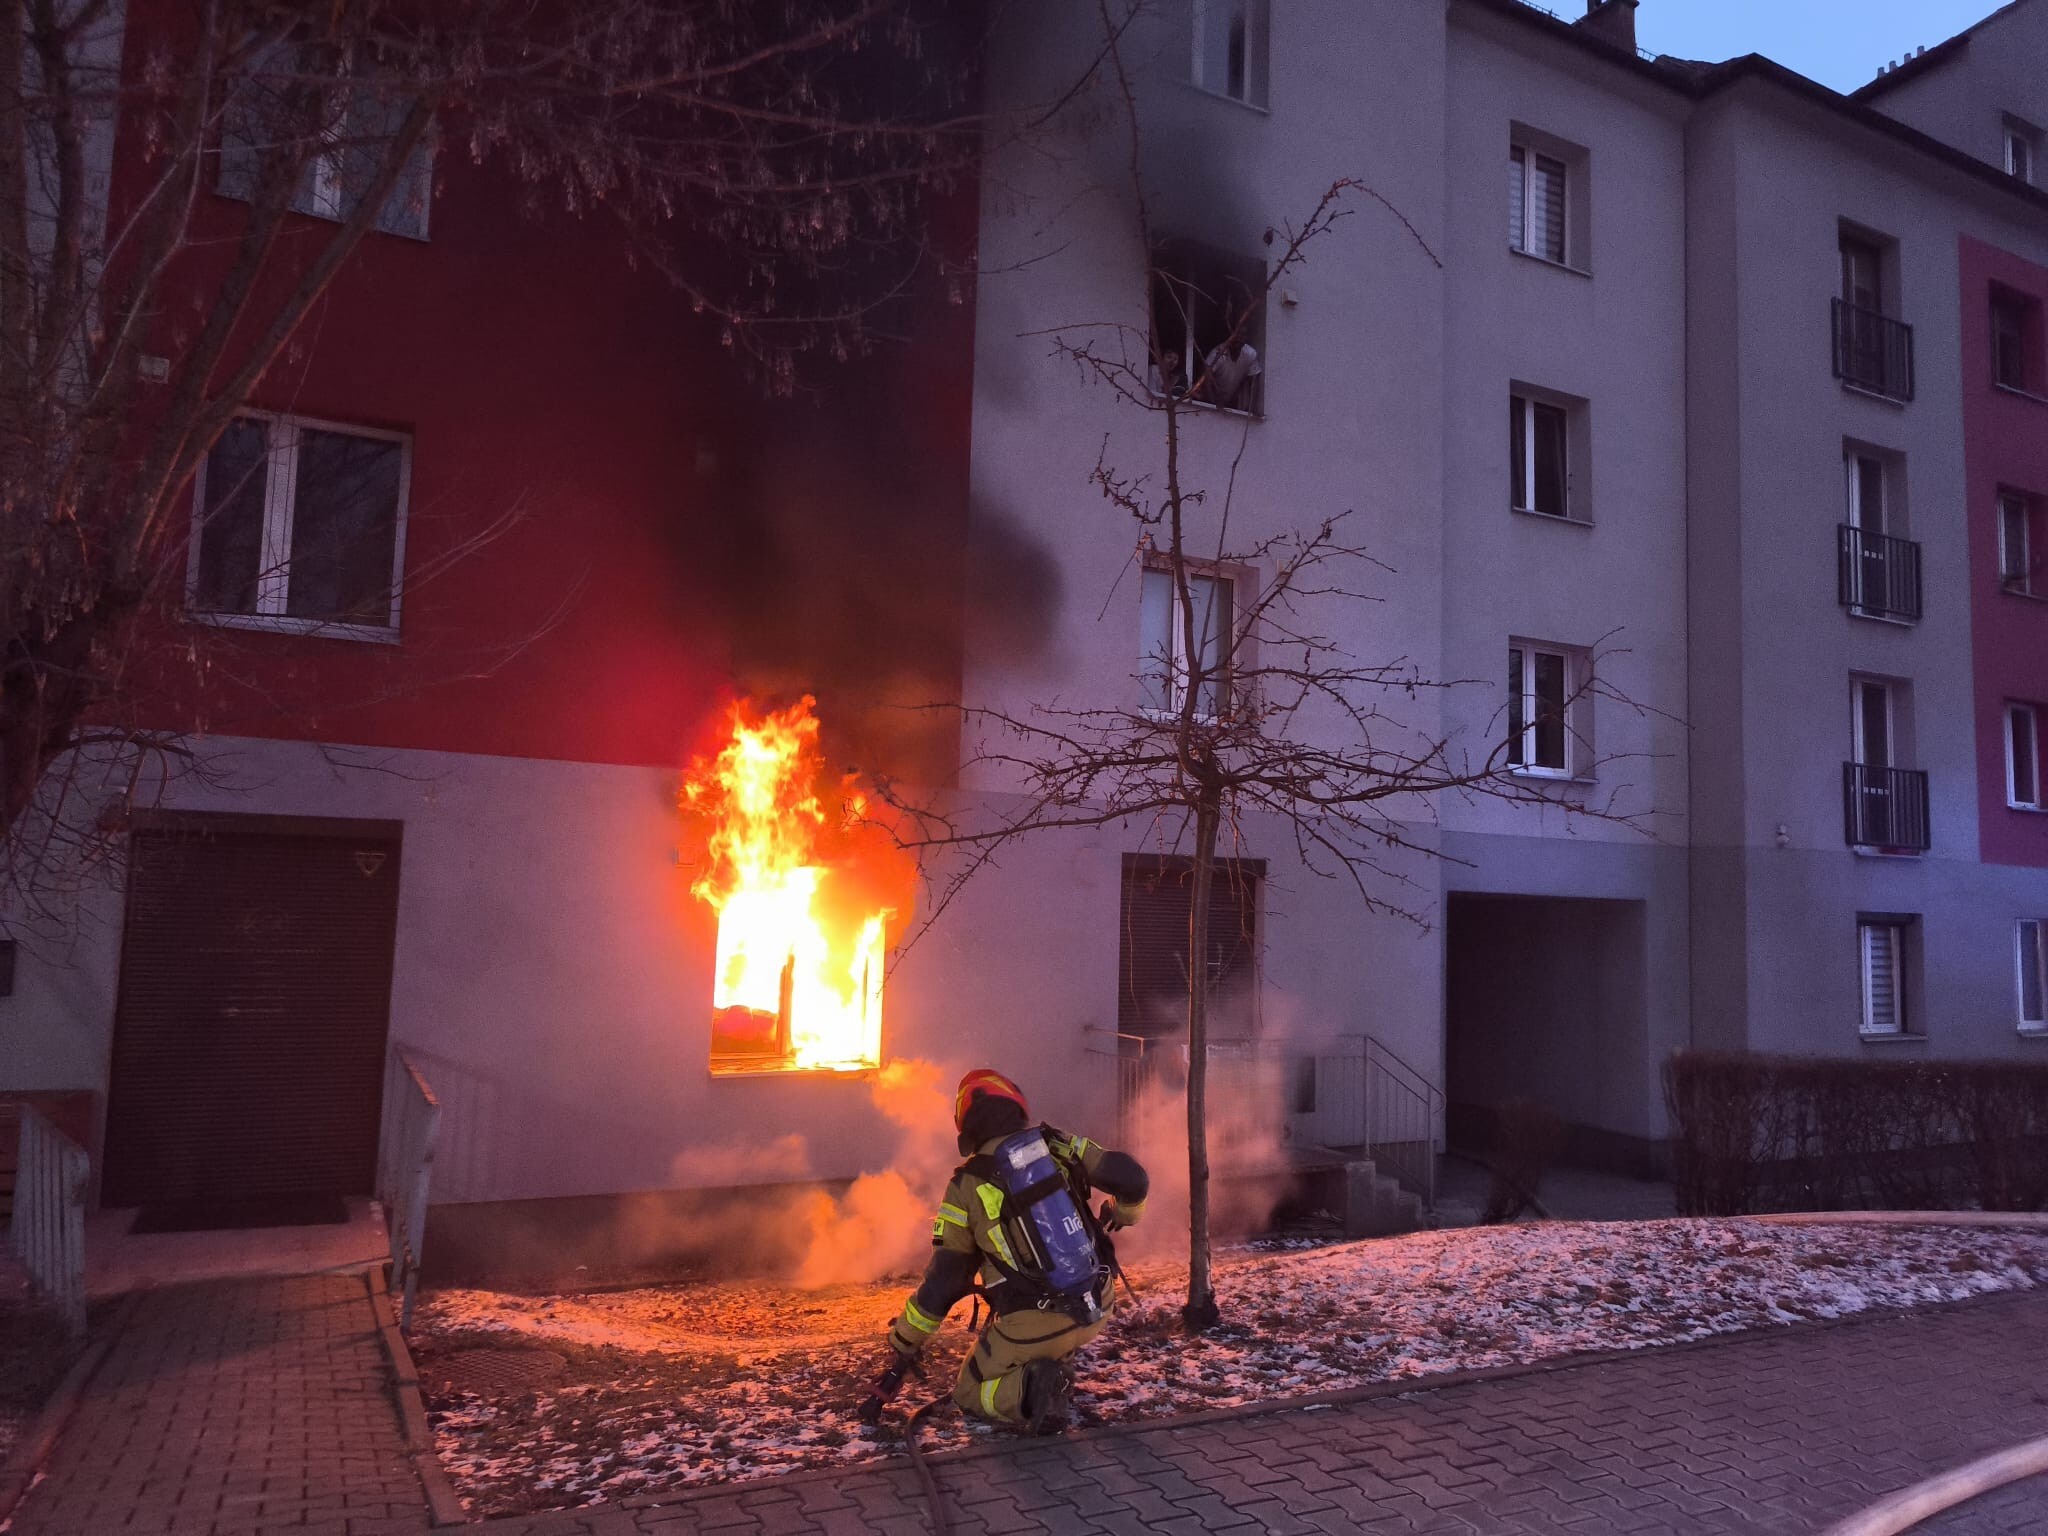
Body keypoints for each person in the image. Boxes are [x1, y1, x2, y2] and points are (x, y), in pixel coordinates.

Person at [865, 1068, 1149, 1433]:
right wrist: (1125, 1211)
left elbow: (944, 1282)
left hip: (1035, 1325)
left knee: (970, 1391)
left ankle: (1034, 1390)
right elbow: (1133, 1178)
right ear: (1016, 1105)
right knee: (1044, 1340)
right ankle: (1050, 1366)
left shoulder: (966, 1186)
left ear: (965, 1127)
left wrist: (905, 1339)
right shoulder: (1055, 1144)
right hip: (1098, 1303)